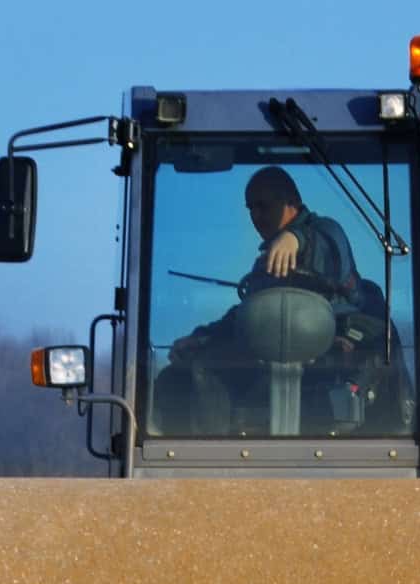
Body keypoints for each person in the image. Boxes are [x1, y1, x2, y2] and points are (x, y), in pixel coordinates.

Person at [153, 166, 400, 435]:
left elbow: (327, 242)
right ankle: (204, 455)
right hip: (273, 362)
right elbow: (248, 314)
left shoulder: (325, 233)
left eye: (263, 206)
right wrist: (201, 338)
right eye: (251, 209)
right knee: (178, 379)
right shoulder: (267, 263)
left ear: (291, 202)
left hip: (334, 360)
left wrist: (296, 238)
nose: (256, 216)